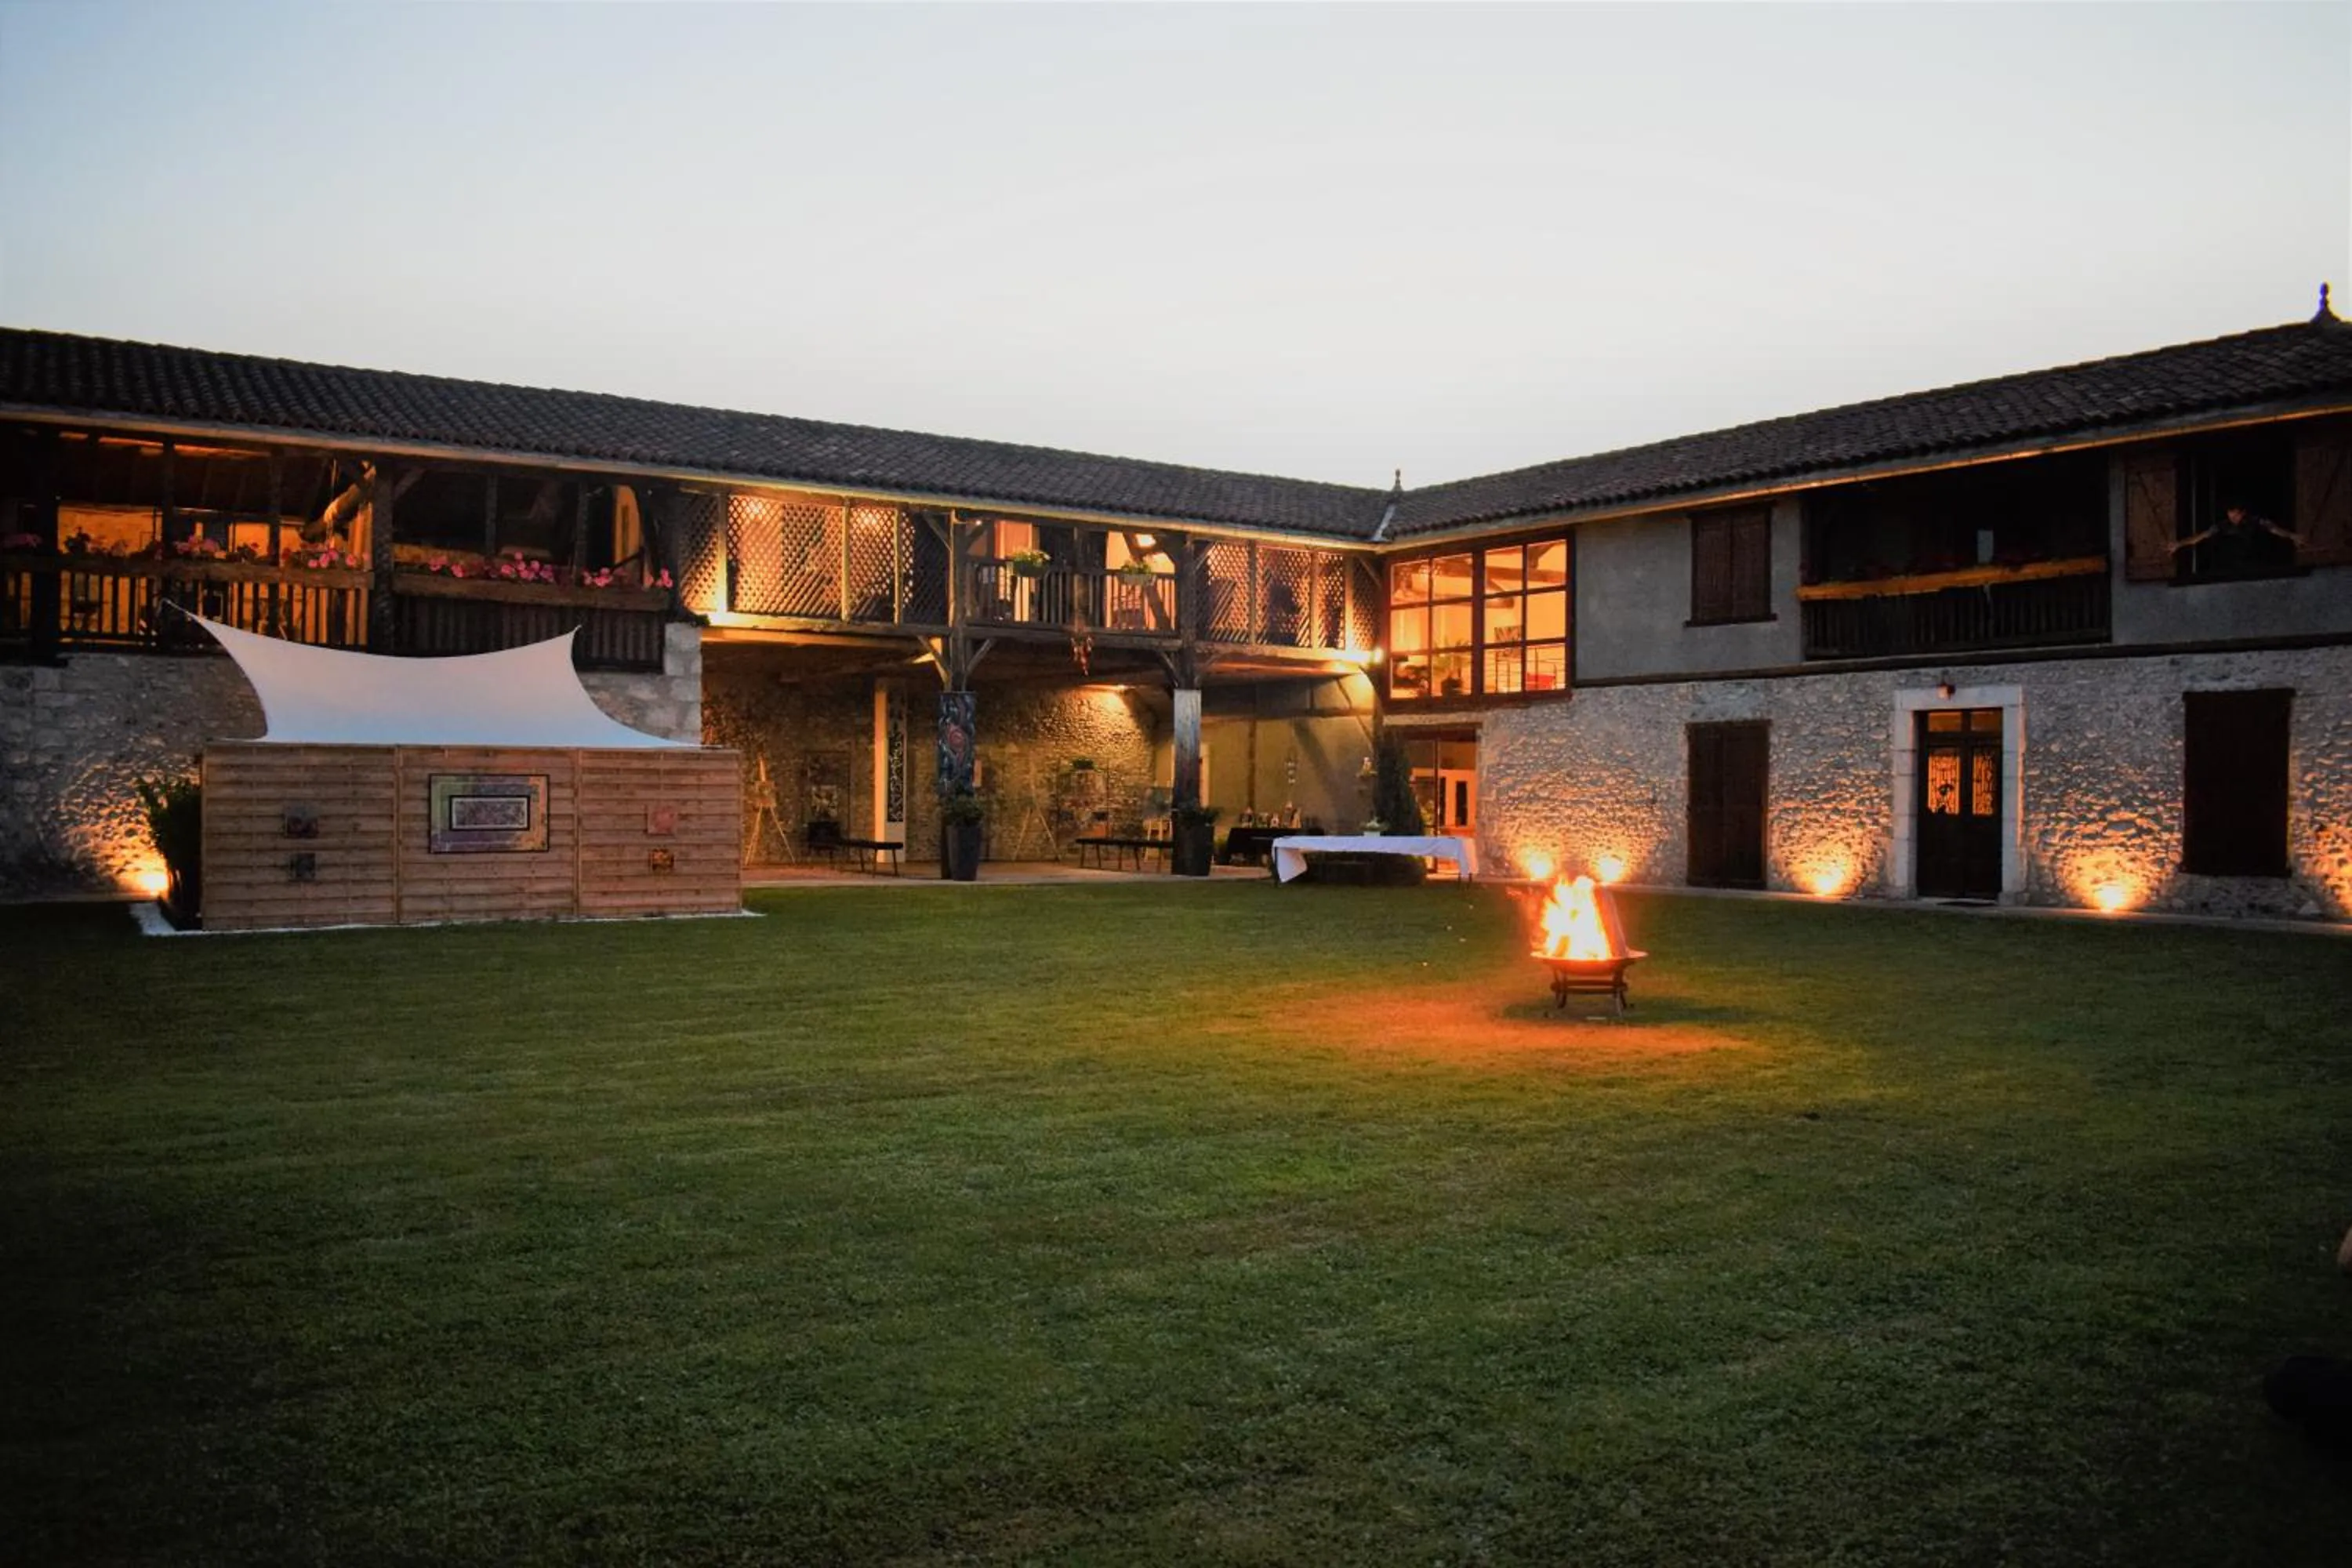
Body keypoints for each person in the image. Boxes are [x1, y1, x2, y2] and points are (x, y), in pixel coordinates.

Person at [2170, 500, 2303, 579]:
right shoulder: (2222, 526)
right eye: (2230, 512)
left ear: (2243, 513)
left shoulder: (2255, 521)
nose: (2233, 516)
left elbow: (2274, 529)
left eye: (2236, 513)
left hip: (2254, 560)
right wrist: (2179, 544)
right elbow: (2201, 536)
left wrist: (2292, 536)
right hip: (2231, 563)